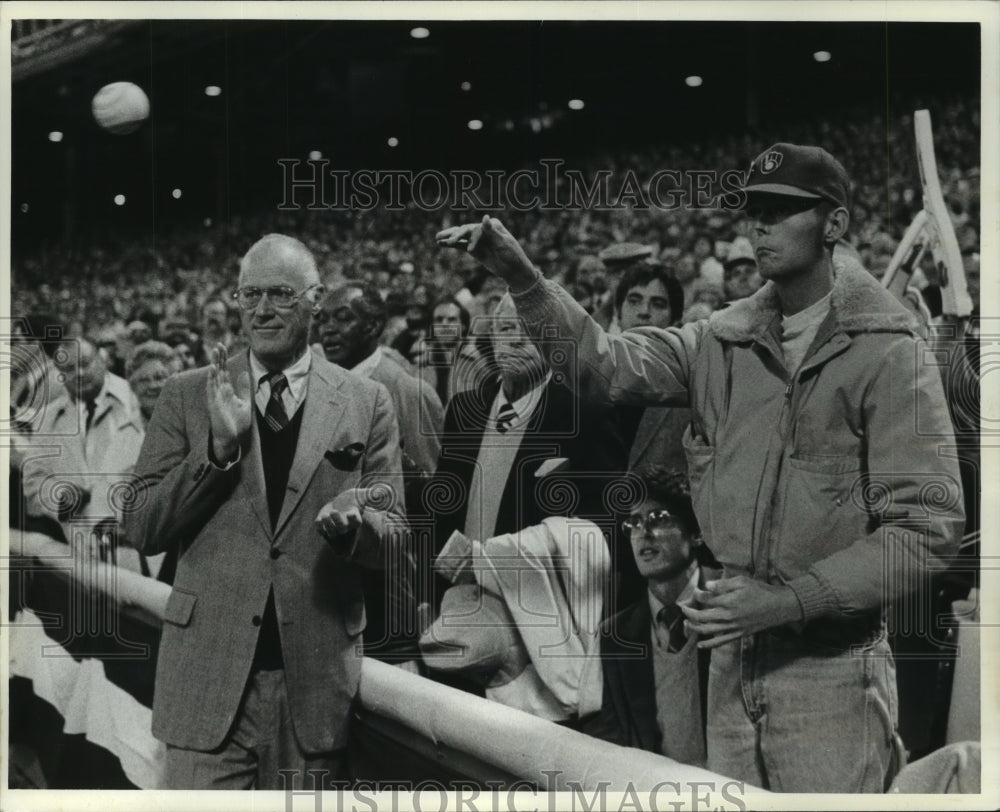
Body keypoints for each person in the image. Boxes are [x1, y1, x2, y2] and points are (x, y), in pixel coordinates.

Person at [436, 142, 963, 792]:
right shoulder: (722, 337)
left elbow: (927, 528)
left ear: (835, 224)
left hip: (831, 663)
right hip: (729, 655)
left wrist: (789, 600)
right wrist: (524, 280)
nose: (759, 225)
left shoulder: (888, 348)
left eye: (781, 210)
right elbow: (604, 364)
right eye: (752, 210)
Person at [121, 234, 406, 790]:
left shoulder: (365, 400)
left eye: (280, 293)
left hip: (312, 688)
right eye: (249, 295)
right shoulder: (187, 394)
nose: (262, 309)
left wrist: (356, 529)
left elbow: (394, 537)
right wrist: (215, 456)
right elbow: (141, 525)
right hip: (205, 680)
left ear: (315, 300)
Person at [423, 293, 635, 613]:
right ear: (492, 339)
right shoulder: (464, 409)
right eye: (507, 329)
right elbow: (443, 510)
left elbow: (603, 526)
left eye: (532, 330)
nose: (519, 340)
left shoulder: (585, 416)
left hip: (538, 611)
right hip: (458, 600)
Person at [580, 466, 717, 766]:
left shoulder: (732, 603)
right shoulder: (614, 635)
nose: (645, 532)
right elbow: (603, 737)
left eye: (659, 518)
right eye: (634, 523)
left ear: (695, 533)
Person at [19, 336, 144, 554]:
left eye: (85, 363)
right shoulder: (48, 419)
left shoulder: (138, 402)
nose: (79, 373)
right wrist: (60, 498)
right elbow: (33, 481)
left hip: (141, 547)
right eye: (68, 368)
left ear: (102, 360)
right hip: (83, 554)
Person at [612, 264, 691, 474]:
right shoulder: (587, 379)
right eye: (634, 301)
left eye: (658, 304)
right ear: (618, 315)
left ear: (675, 322)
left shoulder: (691, 392)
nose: (644, 312)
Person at [126, 341, 178, 426]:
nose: (152, 385)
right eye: (143, 380)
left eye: (159, 377)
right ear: (133, 387)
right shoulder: (125, 429)